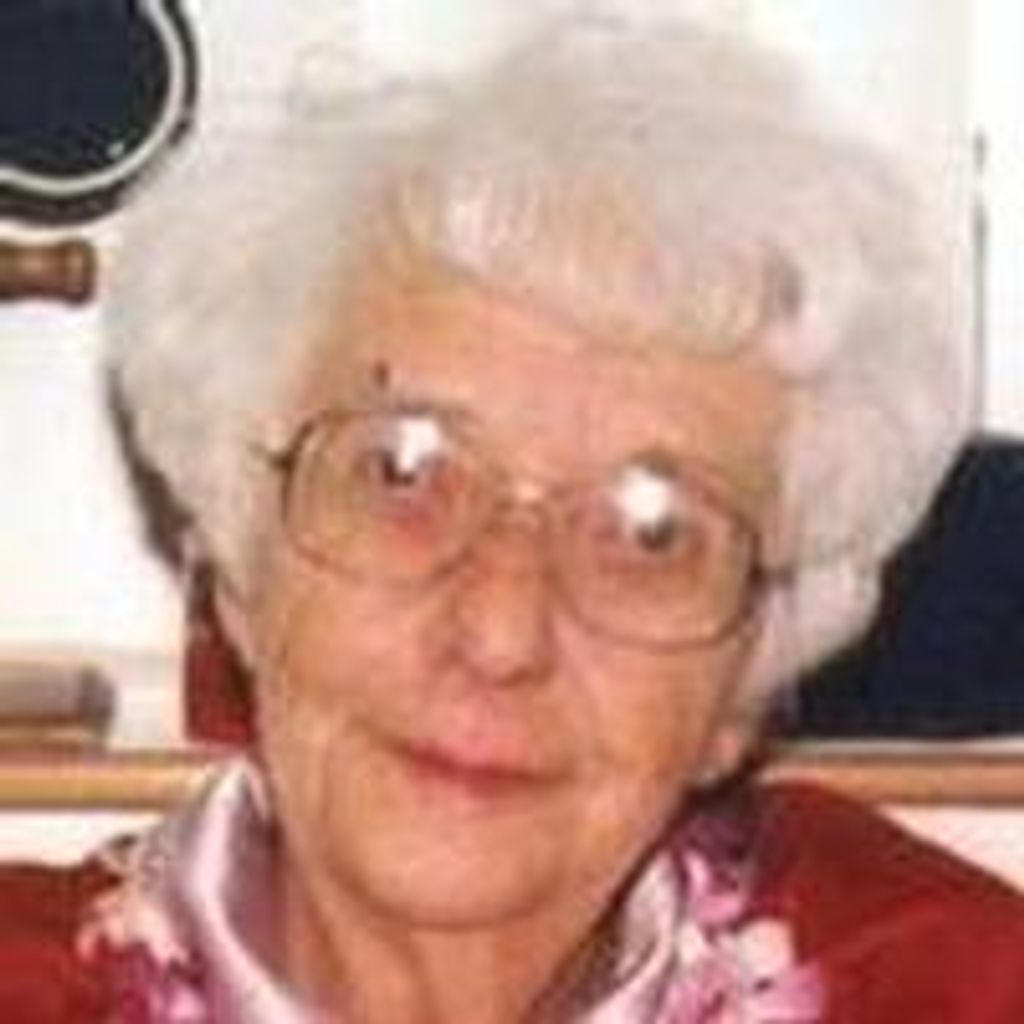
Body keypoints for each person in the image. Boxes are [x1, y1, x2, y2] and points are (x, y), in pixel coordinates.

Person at [3, 12, 1023, 1022]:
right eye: (403, 471)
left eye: (651, 533)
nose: (501, 633)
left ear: (746, 686)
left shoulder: (948, 988)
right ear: (240, 566)